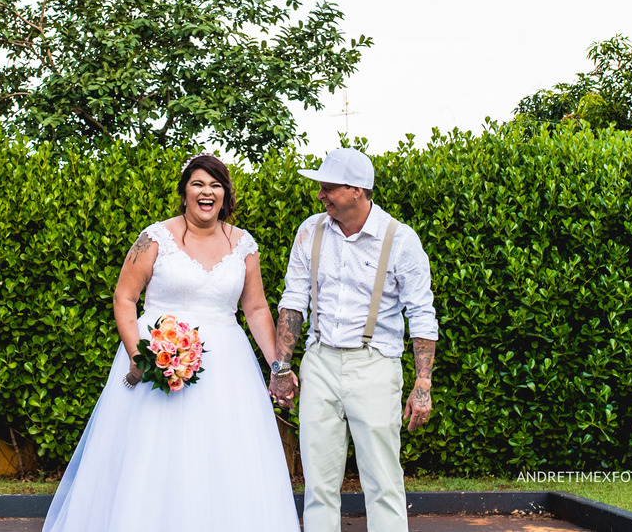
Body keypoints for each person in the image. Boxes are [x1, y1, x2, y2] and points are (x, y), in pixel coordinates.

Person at [42, 153, 299, 532]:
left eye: (215, 186)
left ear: (226, 195)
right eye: (198, 184)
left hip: (228, 369)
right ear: (184, 193)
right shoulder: (154, 237)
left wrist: (278, 365)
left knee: (226, 459)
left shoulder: (244, 245)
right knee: (154, 459)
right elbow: (124, 298)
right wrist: (138, 354)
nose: (206, 192)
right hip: (159, 361)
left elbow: (257, 308)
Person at [268, 148, 437, 532]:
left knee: (383, 481)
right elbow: (294, 300)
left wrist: (422, 383)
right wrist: (282, 366)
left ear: (357, 190)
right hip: (320, 362)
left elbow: (422, 313)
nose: (320, 195)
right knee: (318, 483)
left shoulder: (400, 239)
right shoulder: (309, 230)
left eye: (328, 188)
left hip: (374, 365)